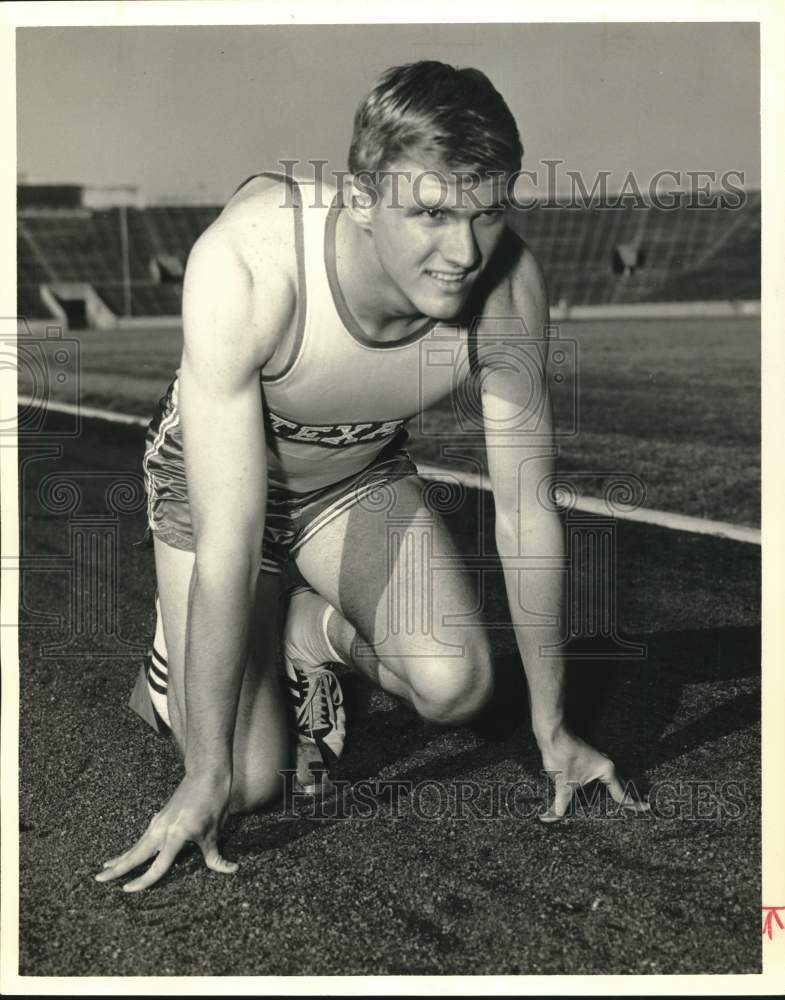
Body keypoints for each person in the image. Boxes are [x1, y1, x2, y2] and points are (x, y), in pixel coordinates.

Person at [96, 61, 647, 894]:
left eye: (485, 212)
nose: (461, 252)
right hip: (213, 493)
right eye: (428, 212)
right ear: (359, 199)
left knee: (458, 686)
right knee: (246, 785)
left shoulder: (509, 290)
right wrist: (200, 779)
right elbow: (231, 538)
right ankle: (170, 667)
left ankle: (299, 638)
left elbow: (526, 515)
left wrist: (553, 730)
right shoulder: (249, 264)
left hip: (353, 477)